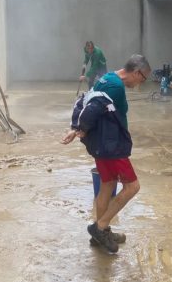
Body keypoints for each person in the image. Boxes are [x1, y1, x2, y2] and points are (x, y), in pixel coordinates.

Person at [61, 54, 151, 253]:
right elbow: (92, 108)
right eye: (142, 79)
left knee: (107, 185)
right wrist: (78, 129)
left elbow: (84, 100)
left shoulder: (108, 77)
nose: (140, 84)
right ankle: (99, 228)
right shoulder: (116, 87)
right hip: (111, 147)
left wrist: (76, 127)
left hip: (102, 144)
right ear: (136, 73)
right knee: (132, 187)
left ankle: (102, 233)